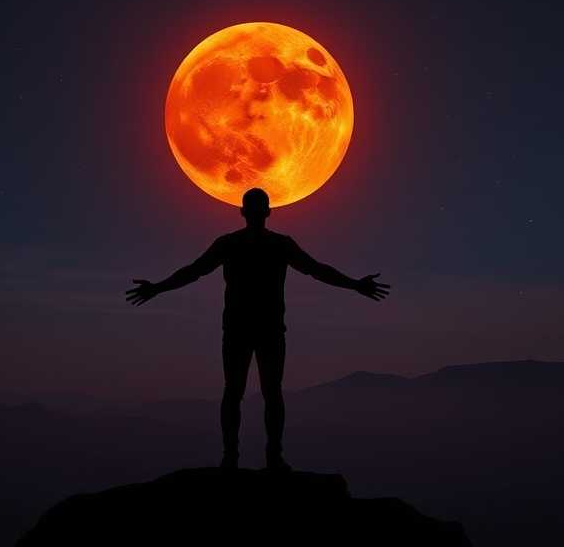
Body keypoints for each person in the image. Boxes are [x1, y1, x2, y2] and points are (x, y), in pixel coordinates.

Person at [126, 188, 390, 471]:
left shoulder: (233, 244)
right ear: (267, 211)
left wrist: (158, 288)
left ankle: (235, 458)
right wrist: (354, 285)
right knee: (267, 393)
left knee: (238, 392)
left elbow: (194, 271)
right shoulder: (277, 245)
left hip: (245, 328)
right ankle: (268, 457)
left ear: (244, 211)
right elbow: (316, 269)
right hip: (266, 329)